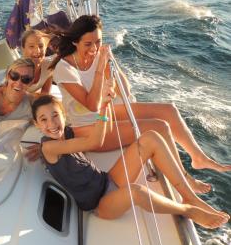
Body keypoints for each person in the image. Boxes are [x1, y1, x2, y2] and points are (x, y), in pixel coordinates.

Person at [50, 15, 230, 193]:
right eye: (88, 44)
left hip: (105, 114)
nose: (94, 48)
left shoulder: (99, 56)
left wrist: (111, 63)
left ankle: (198, 157)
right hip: (88, 128)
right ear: (75, 42)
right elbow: (92, 105)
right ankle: (184, 179)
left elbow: (125, 91)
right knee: (159, 127)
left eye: (98, 42)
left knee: (169, 110)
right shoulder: (64, 69)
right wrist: (99, 69)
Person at [30, 93, 229, 229]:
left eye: (55, 115)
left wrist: (107, 108)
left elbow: (101, 134)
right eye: (44, 120)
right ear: (37, 125)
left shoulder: (68, 133)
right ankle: (188, 210)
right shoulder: (49, 147)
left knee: (151, 137)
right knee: (136, 192)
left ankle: (189, 196)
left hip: (107, 181)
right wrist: (104, 108)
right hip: (101, 204)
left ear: (64, 116)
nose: (52, 123)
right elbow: (95, 141)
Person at [20, 29, 54, 95]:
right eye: (31, 46)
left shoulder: (49, 65)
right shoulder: (18, 71)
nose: (37, 51)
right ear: (23, 49)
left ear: (45, 48)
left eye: (41, 46)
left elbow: (45, 94)